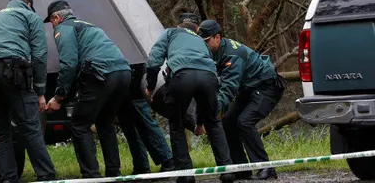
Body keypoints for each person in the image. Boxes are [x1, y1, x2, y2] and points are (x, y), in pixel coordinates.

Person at [0, 0, 56, 183]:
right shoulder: (31, 17)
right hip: (13, 72)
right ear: (29, 4)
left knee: (0, 131)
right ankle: (46, 176)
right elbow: (40, 55)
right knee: (30, 127)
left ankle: (9, 179)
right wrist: (40, 92)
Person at [43, 0, 132, 178]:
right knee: (105, 123)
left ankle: (92, 176)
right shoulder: (90, 26)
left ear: (57, 18)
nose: (52, 25)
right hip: (123, 73)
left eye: (51, 21)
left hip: (101, 75)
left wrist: (59, 97)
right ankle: (114, 173)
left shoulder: (63, 28)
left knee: (79, 125)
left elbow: (69, 63)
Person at [145, 14, 235, 183]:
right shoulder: (201, 41)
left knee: (177, 124)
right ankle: (227, 171)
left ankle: (186, 174)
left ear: (178, 26)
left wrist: (150, 88)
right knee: (214, 122)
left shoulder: (170, 33)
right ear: (197, 29)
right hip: (209, 77)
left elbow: (153, 62)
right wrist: (200, 123)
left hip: (181, 76)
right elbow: (202, 97)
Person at [199, 20, 286, 180]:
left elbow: (228, 88)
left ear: (217, 37)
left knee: (245, 122)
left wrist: (212, 111)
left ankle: (266, 168)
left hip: (267, 87)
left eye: (206, 41)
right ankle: (241, 169)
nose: (204, 45)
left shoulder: (232, 54)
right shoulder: (214, 50)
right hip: (248, 88)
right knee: (227, 123)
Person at [117, 64, 175, 175]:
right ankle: (141, 166)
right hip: (122, 81)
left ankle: (168, 159)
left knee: (144, 122)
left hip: (134, 78)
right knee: (129, 127)